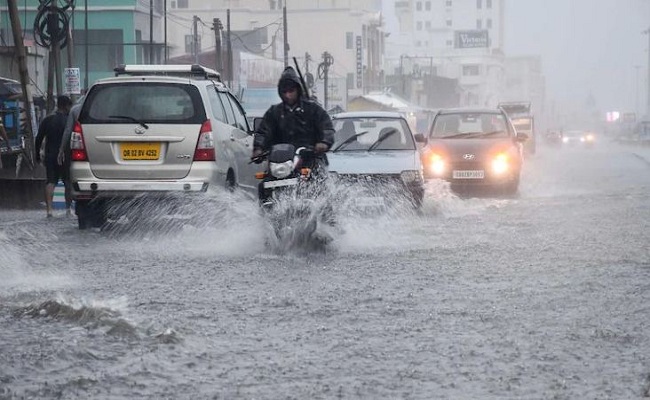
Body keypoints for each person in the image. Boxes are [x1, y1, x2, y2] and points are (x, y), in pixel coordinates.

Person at [252, 66, 335, 167]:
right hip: (280, 164)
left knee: (317, 176)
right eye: (284, 92)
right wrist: (258, 148)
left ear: (298, 90)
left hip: (311, 160)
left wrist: (324, 143)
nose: (288, 95)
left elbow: (327, 128)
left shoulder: (313, 109)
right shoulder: (274, 112)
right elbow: (263, 132)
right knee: (265, 180)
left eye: (291, 91)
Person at [35, 95, 73, 218]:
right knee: (68, 182)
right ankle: (68, 210)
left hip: (50, 155)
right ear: (67, 106)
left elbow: (39, 138)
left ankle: (49, 210)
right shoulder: (69, 120)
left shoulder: (47, 120)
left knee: (50, 181)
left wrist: (37, 154)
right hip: (65, 156)